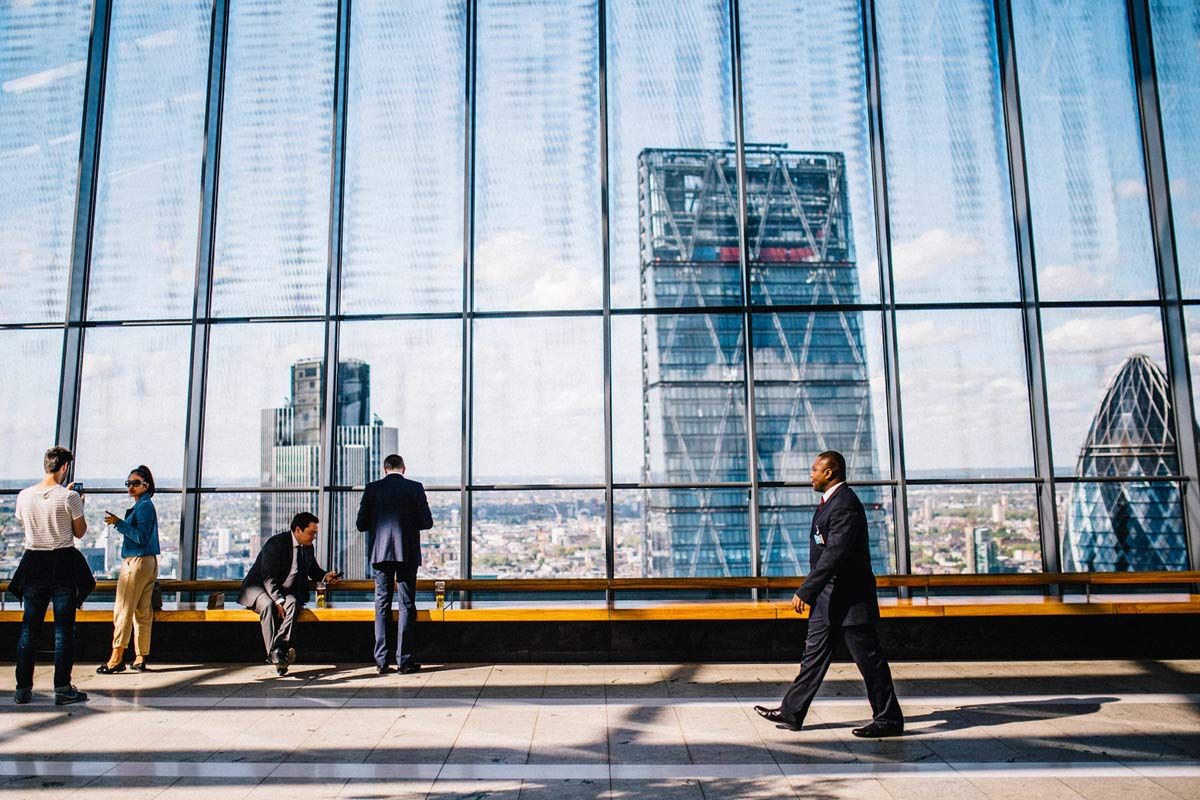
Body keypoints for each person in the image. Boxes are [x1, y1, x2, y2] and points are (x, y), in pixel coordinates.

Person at [755, 451, 904, 737]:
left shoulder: (844, 505)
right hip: (829, 600)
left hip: (850, 601)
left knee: (869, 661)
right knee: (812, 657)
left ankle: (889, 719)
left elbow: (835, 554)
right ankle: (791, 711)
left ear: (830, 472)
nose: (810, 475)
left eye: (814, 470)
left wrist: (806, 590)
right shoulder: (831, 503)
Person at [10, 447, 93, 705]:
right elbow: (79, 532)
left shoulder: (24, 496)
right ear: (65, 467)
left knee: (29, 629)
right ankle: (62, 687)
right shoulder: (69, 498)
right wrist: (77, 502)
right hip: (62, 564)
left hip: (33, 563)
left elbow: (25, 524)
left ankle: (23, 688)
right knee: (63, 630)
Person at [356, 454, 433, 675]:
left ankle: (381, 661)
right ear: (404, 469)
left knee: (381, 605)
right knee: (407, 604)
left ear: (385, 469)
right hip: (406, 552)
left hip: (380, 554)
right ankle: (404, 661)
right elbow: (426, 522)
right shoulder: (415, 488)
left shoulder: (372, 489)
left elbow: (361, 524)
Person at [238, 511, 340, 675]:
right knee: (268, 606)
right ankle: (279, 655)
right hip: (259, 588)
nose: (314, 537)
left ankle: (277, 652)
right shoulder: (276, 544)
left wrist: (325, 576)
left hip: (284, 591)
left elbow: (313, 570)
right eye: (311, 533)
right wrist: (278, 601)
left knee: (293, 604)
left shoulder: (307, 547)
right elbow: (268, 577)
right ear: (298, 530)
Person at [97, 465, 161, 674]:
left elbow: (140, 537)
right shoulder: (145, 506)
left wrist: (118, 523)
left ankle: (116, 658)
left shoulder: (144, 507)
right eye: (128, 483)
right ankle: (141, 656)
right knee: (142, 611)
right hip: (148, 562)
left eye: (135, 483)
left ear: (146, 485)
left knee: (123, 609)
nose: (130, 487)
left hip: (136, 562)